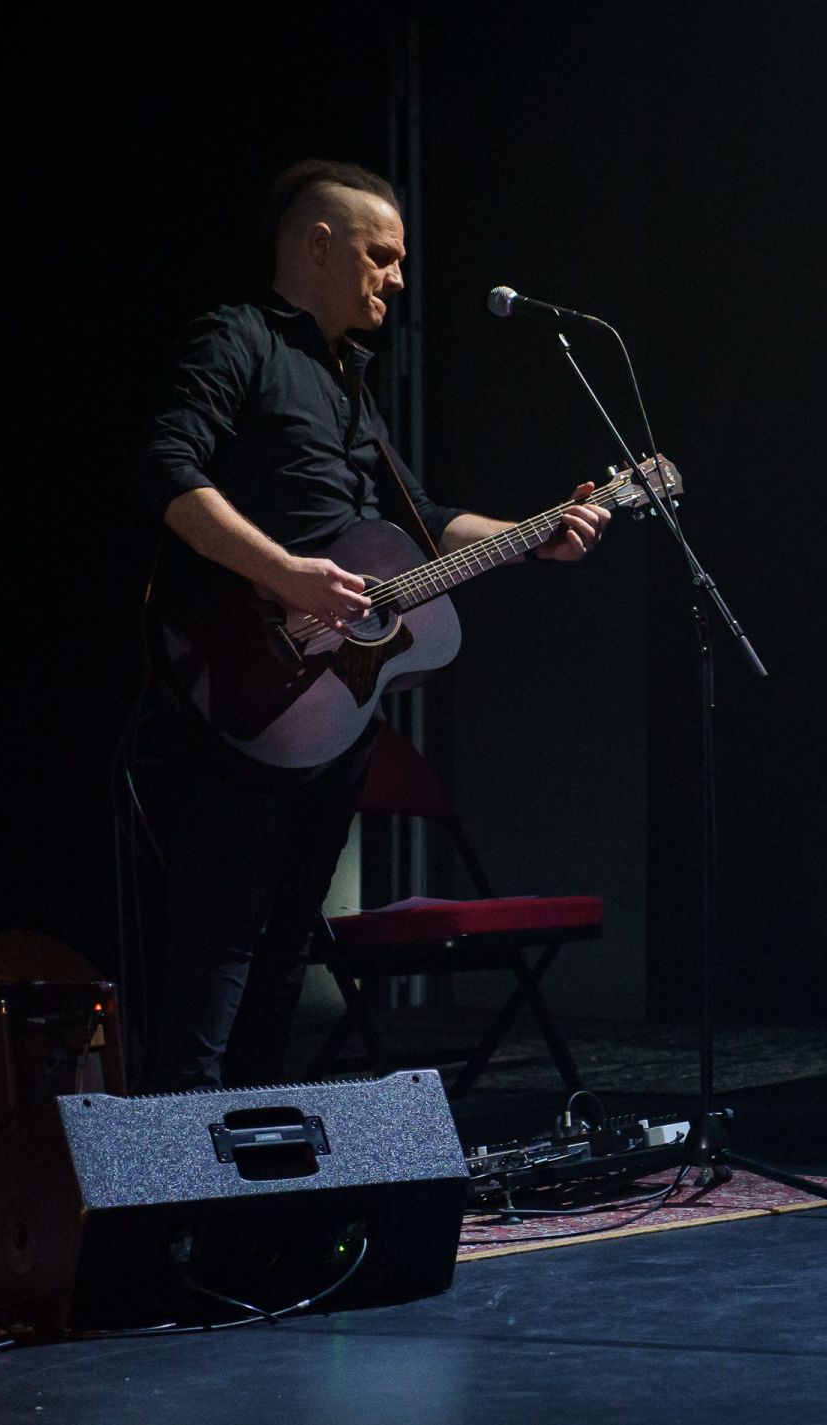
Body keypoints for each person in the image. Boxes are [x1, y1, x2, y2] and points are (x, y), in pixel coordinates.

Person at [131, 159, 609, 1092]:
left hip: (331, 707)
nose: (397, 278)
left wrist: (536, 536)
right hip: (243, 678)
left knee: (285, 944)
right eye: (381, 256)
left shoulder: (350, 379)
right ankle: (176, 1161)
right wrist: (285, 573)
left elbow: (422, 522)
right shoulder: (238, 339)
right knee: (219, 941)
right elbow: (164, 466)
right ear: (319, 244)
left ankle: (256, 1153)